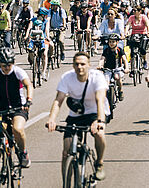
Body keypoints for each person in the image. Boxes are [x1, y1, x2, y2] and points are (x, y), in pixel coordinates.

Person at [46, 51, 108, 181]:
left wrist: (99, 121)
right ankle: (66, 182)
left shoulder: (97, 77)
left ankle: (99, 163)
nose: (80, 67)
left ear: (89, 65)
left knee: (99, 134)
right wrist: (51, 119)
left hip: (95, 112)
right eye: (77, 64)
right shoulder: (67, 77)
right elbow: (59, 100)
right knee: (66, 151)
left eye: (83, 64)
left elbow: (100, 100)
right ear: (73, 66)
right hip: (76, 115)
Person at [0, 47, 33, 167]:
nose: (7, 67)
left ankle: (23, 153)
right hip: (1, 107)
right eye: (4, 65)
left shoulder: (18, 72)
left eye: (10, 64)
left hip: (18, 107)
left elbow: (28, 85)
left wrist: (28, 101)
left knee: (17, 129)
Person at [25, 7, 53, 81]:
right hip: (33, 38)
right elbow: (29, 28)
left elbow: (46, 30)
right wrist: (26, 36)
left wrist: (47, 37)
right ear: (42, 15)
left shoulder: (46, 21)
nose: (46, 16)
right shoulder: (33, 20)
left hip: (43, 38)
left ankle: (43, 72)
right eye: (45, 15)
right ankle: (35, 66)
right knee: (31, 52)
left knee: (44, 54)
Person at [98, 34, 127, 101]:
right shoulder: (106, 50)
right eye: (110, 42)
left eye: (113, 42)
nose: (111, 43)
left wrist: (126, 68)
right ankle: (106, 97)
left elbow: (124, 59)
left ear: (117, 42)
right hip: (107, 69)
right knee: (106, 82)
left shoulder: (119, 50)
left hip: (117, 69)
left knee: (117, 77)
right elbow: (102, 59)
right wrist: (100, 65)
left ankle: (120, 91)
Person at [125, 5, 149, 70]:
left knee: (142, 49)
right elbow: (128, 25)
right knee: (132, 51)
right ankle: (132, 68)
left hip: (143, 34)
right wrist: (126, 32)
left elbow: (148, 25)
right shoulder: (131, 17)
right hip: (134, 34)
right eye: (133, 10)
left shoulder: (143, 17)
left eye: (135, 10)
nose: (133, 12)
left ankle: (144, 61)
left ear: (140, 11)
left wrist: (148, 32)